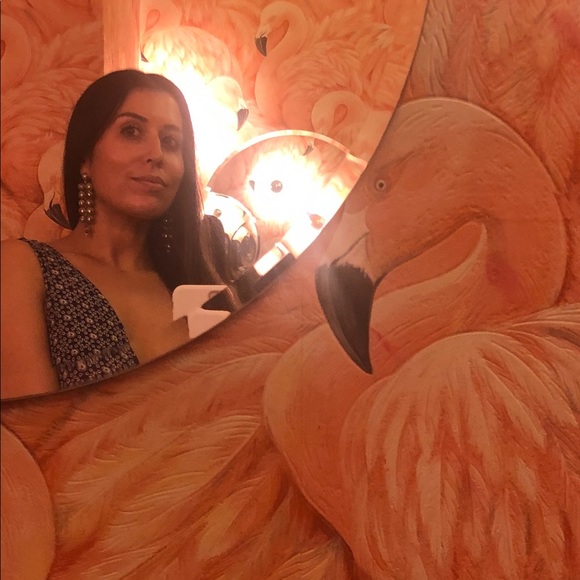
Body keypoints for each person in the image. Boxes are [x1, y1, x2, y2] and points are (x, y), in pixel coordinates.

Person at [1, 69, 229, 398]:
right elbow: (35, 425)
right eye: (131, 131)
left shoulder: (194, 282)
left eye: (170, 141)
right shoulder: (22, 267)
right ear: (85, 158)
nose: (156, 154)